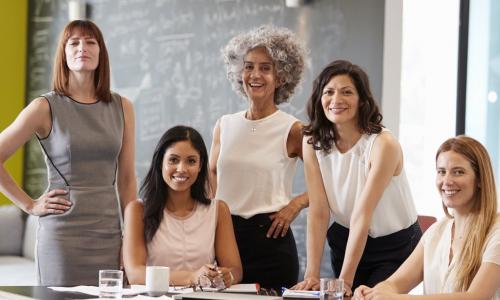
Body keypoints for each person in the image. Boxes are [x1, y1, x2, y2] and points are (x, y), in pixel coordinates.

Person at [0, 20, 136, 285]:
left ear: (101, 52)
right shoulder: (44, 107)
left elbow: (128, 180)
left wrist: (129, 239)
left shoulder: (124, 107)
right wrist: (29, 205)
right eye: (73, 43)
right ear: (63, 54)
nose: (81, 48)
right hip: (61, 238)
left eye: (90, 42)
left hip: (108, 235)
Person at [293, 60, 421, 296]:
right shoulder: (312, 141)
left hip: (395, 245)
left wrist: (345, 282)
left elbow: (363, 214)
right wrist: (311, 274)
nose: (336, 100)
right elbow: (319, 210)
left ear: (362, 100)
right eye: (328, 92)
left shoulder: (383, 144)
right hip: (345, 238)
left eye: (347, 92)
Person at [209, 24, 308, 291]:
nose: (255, 74)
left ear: (282, 76)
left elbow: (326, 184)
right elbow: (211, 177)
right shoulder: (224, 125)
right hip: (224, 239)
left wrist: (294, 205)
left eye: (265, 67)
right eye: (249, 66)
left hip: (271, 243)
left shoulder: (293, 129)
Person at [353, 136, 500, 300]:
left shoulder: (496, 232)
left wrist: (396, 299)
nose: (447, 181)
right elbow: (394, 284)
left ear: (480, 179)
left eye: (458, 172)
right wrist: (373, 292)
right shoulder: (436, 232)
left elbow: (477, 297)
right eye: (441, 172)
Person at [123, 126, 242, 287]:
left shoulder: (218, 210)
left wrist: (227, 276)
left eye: (191, 161)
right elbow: (135, 274)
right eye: (173, 160)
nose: (181, 169)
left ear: (200, 166)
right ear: (160, 162)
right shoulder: (137, 210)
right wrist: (192, 277)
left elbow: (235, 270)